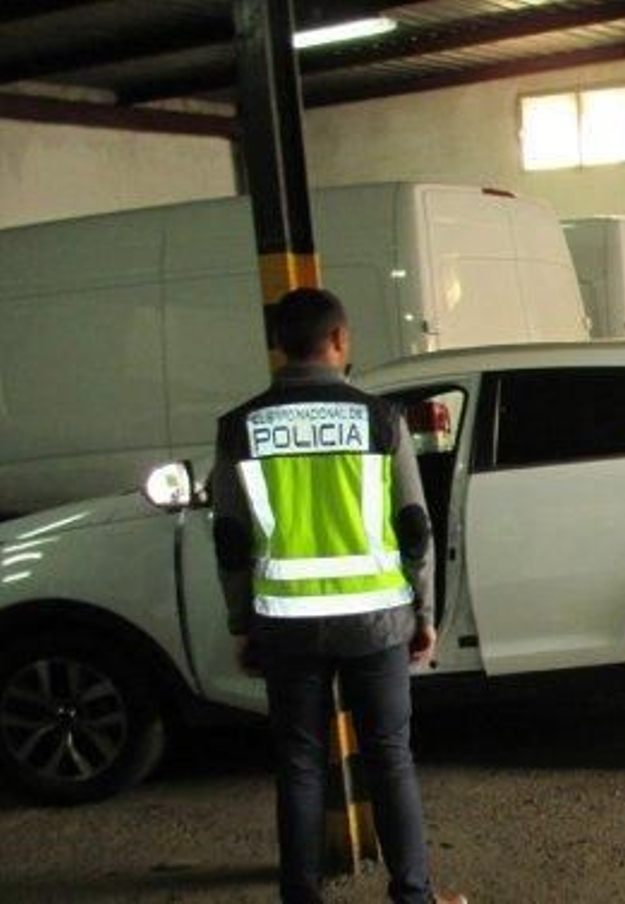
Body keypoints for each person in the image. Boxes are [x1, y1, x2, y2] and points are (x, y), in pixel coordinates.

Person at [210, 286, 464, 904]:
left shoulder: (239, 428)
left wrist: (243, 621)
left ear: (277, 347)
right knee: (390, 760)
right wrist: (422, 616)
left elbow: (231, 539)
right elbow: (414, 528)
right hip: (376, 622)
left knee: (299, 766)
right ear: (341, 341)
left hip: (287, 627)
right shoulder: (381, 420)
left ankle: (301, 898)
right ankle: (412, 896)